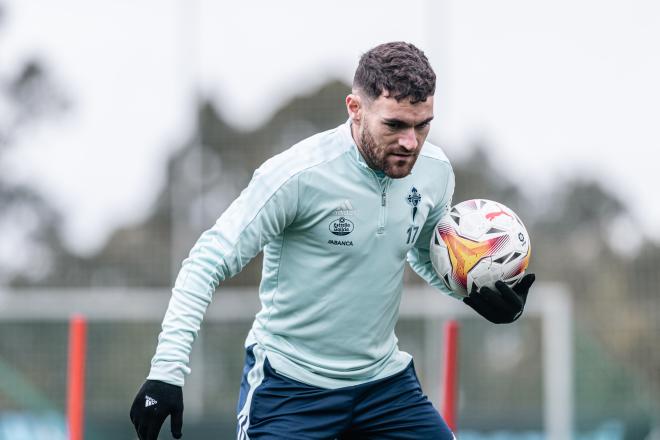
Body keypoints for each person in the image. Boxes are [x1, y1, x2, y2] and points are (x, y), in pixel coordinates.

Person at [130, 41, 535, 440]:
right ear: (355, 110)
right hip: (290, 389)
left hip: (383, 386)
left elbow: (426, 253)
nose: (411, 141)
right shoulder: (297, 175)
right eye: (394, 124)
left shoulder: (434, 172)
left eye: (422, 124)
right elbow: (206, 260)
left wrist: (476, 294)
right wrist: (166, 373)